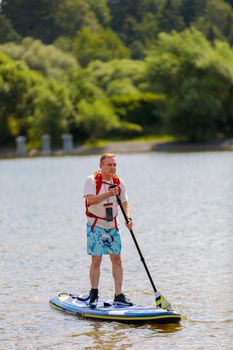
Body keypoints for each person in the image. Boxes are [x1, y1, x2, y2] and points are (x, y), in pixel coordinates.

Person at [83, 153, 133, 308]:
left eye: (114, 165)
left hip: (113, 225)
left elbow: (125, 203)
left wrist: (128, 218)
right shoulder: (91, 180)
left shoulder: (119, 182)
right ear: (101, 166)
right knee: (96, 260)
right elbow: (90, 200)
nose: (113, 168)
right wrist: (108, 194)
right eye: (109, 165)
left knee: (117, 259)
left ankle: (118, 295)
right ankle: (94, 293)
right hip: (95, 224)